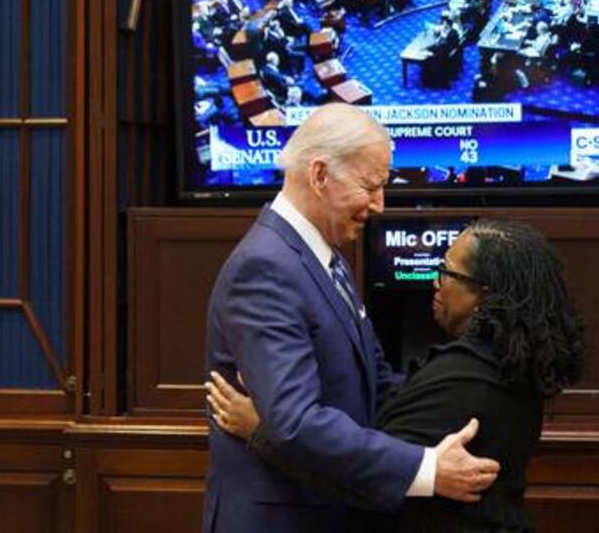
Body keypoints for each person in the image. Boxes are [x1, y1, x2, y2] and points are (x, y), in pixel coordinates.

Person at [203, 105, 501, 533]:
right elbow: (296, 424)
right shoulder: (264, 268)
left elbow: (374, 383)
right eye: (370, 186)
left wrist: (472, 405)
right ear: (320, 175)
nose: (379, 205)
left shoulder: (325, 259)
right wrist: (427, 469)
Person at [209, 219, 586, 533]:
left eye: (448, 272)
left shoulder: (465, 380)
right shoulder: (502, 365)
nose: (435, 282)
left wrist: (261, 430)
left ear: (484, 295)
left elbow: (360, 483)